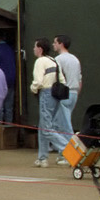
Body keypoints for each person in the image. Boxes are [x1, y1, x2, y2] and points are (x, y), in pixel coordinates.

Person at [29, 38, 63, 168]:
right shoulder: (53, 61)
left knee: (47, 128)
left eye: (35, 47)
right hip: (55, 95)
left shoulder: (40, 61)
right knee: (43, 126)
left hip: (45, 93)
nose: (33, 49)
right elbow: (62, 79)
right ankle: (42, 157)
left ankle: (67, 149)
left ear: (40, 49)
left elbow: (38, 81)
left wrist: (33, 88)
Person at [52, 35, 82, 151]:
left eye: (55, 42)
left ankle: (72, 152)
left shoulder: (59, 59)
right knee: (63, 123)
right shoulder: (75, 59)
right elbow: (80, 80)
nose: (53, 45)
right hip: (73, 93)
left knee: (63, 126)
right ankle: (64, 153)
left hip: (64, 94)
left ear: (61, 44)